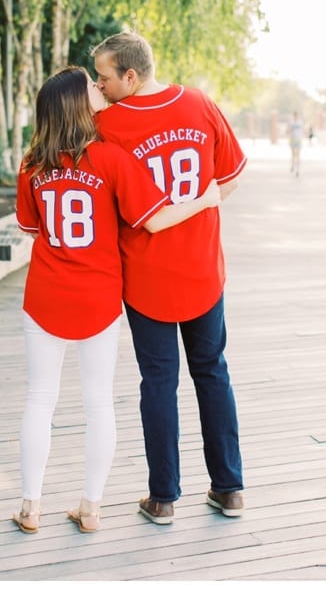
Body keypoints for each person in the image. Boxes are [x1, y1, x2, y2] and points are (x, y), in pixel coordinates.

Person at [11, 66, 221, 535]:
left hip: (44, 294)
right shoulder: (110, 159)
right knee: (98, 402)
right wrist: (206, 199)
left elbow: (32, 229)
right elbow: (155, 220)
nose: (98, 88)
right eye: (91, 85)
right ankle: (91, 508)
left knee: (40, 399)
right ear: (79, 104)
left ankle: (30, 507)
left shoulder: (31, 166)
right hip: (99, 297)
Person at [91, 31, 249, 525]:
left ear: (130, 75)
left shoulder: (109, 124)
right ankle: (228, 489)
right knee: (212, 372)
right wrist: (199, 203)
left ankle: (163, 499)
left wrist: (93, 106)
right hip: (202, 269)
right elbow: (231, 178)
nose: (100, 85)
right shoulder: (200, 103)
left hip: (146, 276)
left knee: (158, 381)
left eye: (105, 77)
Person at [287, 111, 304, 176]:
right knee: (293, 154)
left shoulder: (300, 122)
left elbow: (303, 130)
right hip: (292, 139)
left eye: (296, 115)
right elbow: (288, 130)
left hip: (298, 139)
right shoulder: (291, 122)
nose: (295, 116)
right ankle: (292, 166)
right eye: (295, 115)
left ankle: (297, 170)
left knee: (298, 154)